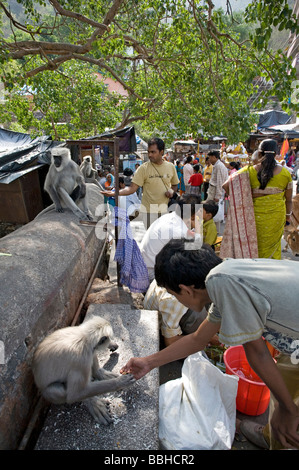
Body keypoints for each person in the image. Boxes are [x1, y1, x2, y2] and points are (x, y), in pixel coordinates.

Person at [121, 238, 299, 450]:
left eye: (172, 294)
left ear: (185, 290)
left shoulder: (223, 284)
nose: (175, 300)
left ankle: (284, 432)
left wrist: (288, 410)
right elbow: (198, 339)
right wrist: (148, 362)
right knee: (282, 402)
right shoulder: (223, 276)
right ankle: (273, 435)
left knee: (289, 416)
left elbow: (258, 353)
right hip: (294, 346)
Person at [221, 139, 293, 260]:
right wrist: (287, 217)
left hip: (252, 218)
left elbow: (226, 186)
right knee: (273, 249)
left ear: (259, 154)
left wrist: (243, 198)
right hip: (276, 218)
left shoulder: (248, 171)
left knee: (252, 247)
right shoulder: (285, 173)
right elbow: (289, 200)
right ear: (276, 154)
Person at [101, 138, 179, 229]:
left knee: (165, 239)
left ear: (161, 152)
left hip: (166, 211)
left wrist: (171, 191)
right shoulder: (143, 169)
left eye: (153, 152)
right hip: (149, 213)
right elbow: (132, 188)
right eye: (149, 152)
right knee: (152, 239)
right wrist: (116, 193)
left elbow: (174, 185)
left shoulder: (171, 167)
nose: (150, 155)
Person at [139, 194, 202, 282]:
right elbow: (196, 248)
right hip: (152, 274)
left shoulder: (168, 217)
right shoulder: (179, 231)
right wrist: (197, 224)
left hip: (145, 266)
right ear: (193, 215)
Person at [144, 279, 208, 346]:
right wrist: (205, 338)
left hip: (169, 314)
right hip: (162, 330)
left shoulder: (179, 275)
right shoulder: (175, 300)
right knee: (197, 315)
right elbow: (170, 341)